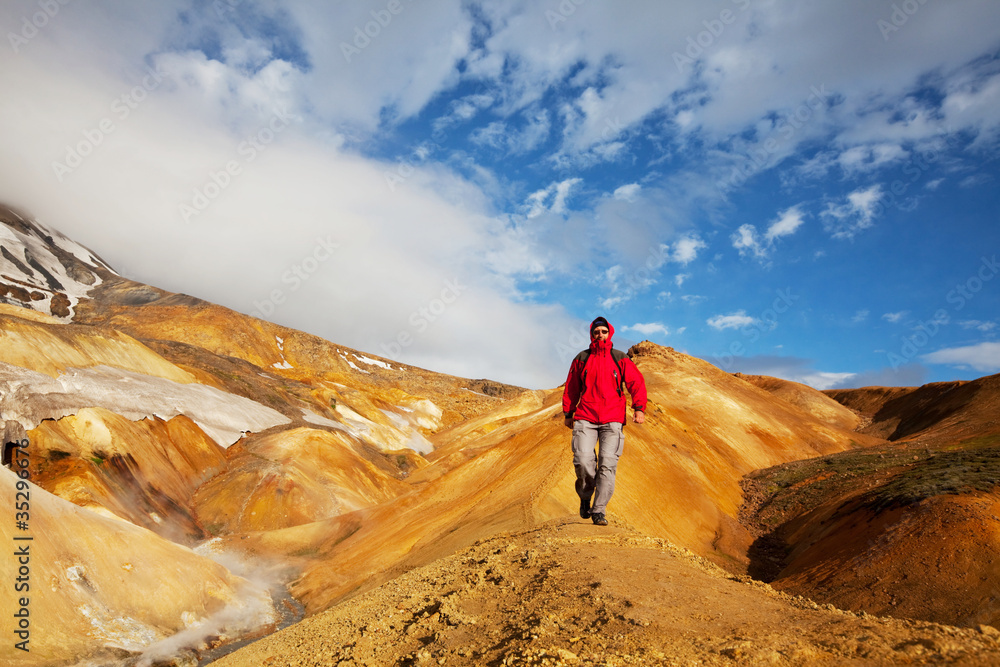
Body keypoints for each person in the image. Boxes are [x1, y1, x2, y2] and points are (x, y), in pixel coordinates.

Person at [562, 316, 647, 526]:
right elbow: (572, 386)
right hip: (585, 417)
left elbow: (636, 383)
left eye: (604, 332)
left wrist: (639, 409)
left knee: (607, 465)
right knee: (583, 461)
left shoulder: (620, 358)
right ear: (592, 334)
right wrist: (568, 412)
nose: (600, 335)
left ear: (610, 333)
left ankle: (599, 510)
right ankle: (585, 496)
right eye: (596, 332)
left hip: (613, 419)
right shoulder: (581, 358)